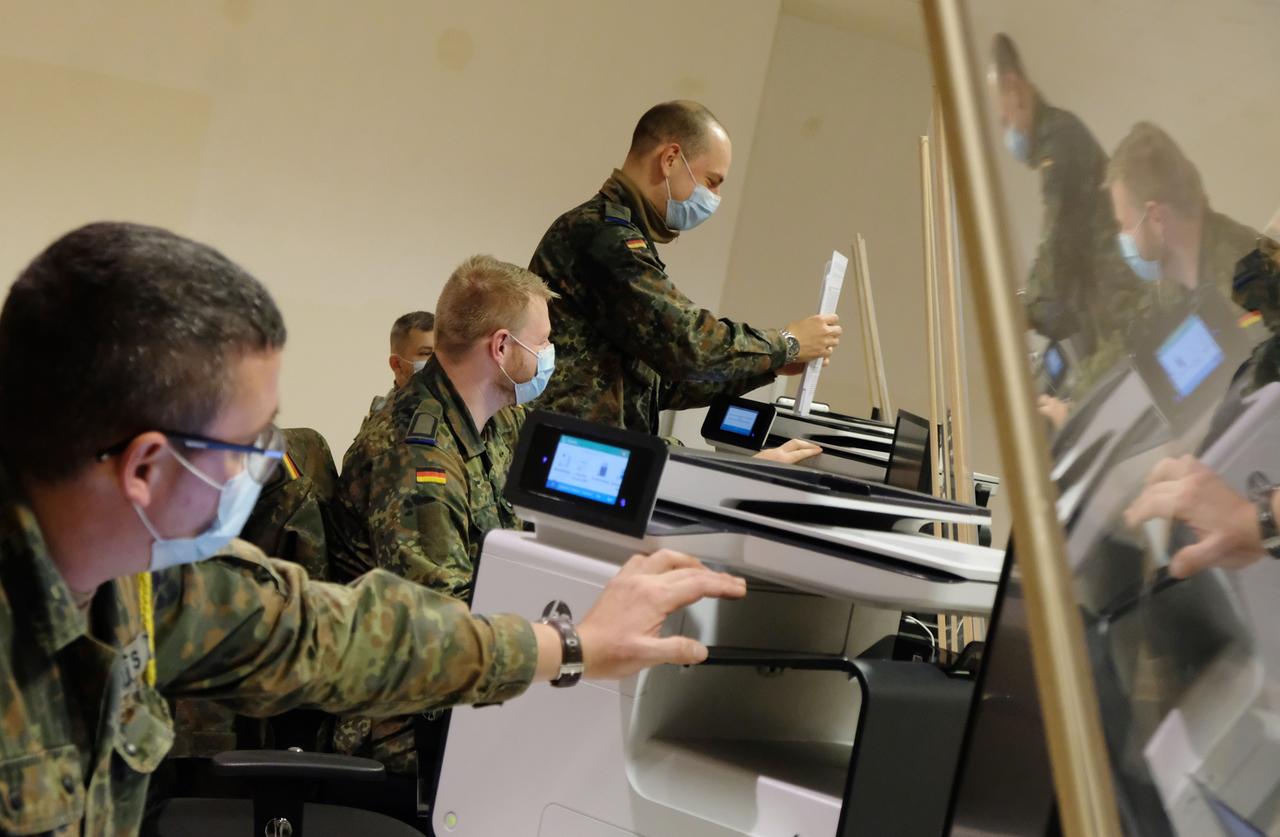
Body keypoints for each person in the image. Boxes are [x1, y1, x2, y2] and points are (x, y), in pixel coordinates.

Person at [0, 222, 746, 835]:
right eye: (249, 446)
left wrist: (573, 645)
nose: (266, 471)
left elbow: (341, 632)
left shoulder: (148, 583)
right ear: (145, 470)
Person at [330, 254, 819, 772]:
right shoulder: (417, 452)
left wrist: (733, 475)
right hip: (407, 720)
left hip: (470, 679)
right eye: (541, 342)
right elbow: (443, 626)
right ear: (501, 347)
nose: (550, 355)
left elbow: (606, 467)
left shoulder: (496, 420)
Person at [529, 100, 842, 435]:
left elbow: (664, 383)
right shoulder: (604, 236)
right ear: (670, 159)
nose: (716, 196)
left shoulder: (624, 235)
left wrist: (771, 366)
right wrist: (787, 343)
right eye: (712, 181)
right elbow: (691, 345)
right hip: (565, 455)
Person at [1039, 122, 1259, 430]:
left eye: (1124, 225)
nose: (1122, 237)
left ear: (1155, 217)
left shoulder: (1245, 276)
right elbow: (1130, 345)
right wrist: (1074, 407)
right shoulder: (1173, 279)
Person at [990, 33, 1140, 359]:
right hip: (1103, 297)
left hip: (1115, 299)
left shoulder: (1058, 140)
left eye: (1004, 121)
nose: (1008, 132)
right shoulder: (1056, 134)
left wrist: (1027, 311)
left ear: (1013, 89)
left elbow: (1057, 235)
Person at [369, 310, 436, 415]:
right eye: (426, 353)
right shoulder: (390, 417)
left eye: (443, 353)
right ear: (397, 364)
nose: (439, 361)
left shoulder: (454, 410)